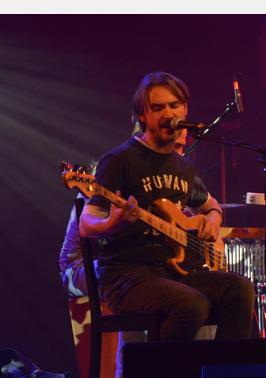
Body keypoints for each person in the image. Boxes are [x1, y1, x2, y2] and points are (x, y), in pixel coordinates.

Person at [78, 72, 254, 346]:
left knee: (240, 289)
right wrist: (114, 223)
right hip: (128, 277)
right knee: (191, 305)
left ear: (184, 110)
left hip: (173, 273)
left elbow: (210, 204)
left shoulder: (183, 166)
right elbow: (86, 224)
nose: (167, 113)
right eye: (157, 108)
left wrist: (213, 216)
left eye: (174, 106)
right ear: (143, 117)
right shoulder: (119, 160)